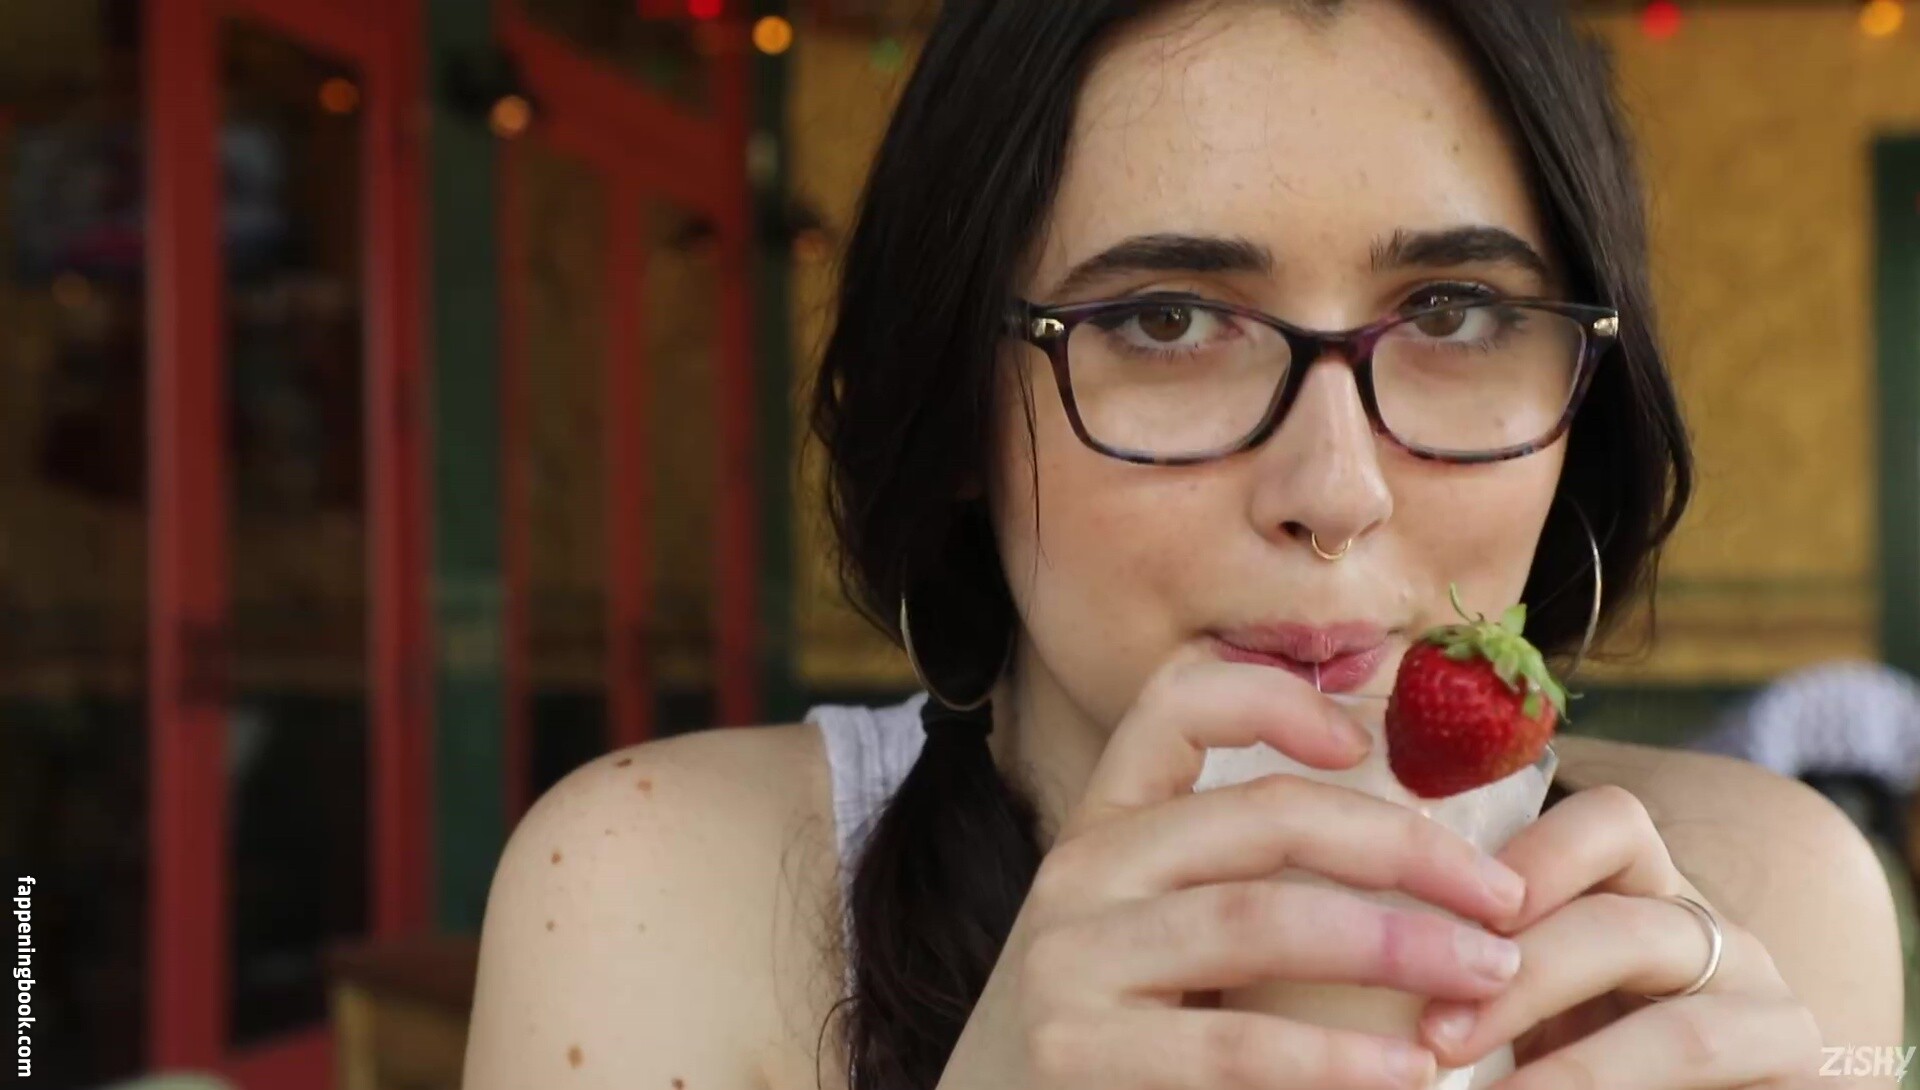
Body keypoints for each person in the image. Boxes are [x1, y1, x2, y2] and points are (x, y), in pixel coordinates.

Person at [461, 3, 1903, 1088]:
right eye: (1166, 320)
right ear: (958, 404)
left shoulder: (1766, 904)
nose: (1335, 489)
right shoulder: (662, 896)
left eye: (1456, 313)